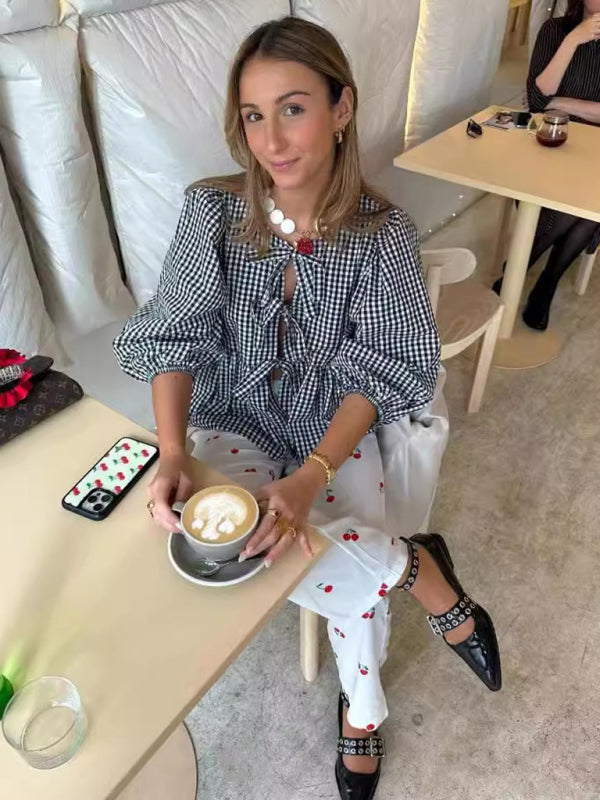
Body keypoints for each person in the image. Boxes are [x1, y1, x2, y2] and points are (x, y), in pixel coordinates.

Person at [114, 17, 501, 800]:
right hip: (238, 415)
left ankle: (361, 714)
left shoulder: (383, 234)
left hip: (335, 425)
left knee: (307, 533)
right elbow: (176, 333)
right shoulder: (210, 213)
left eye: (293, 108)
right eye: (254, 116)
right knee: (247, 544)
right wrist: (173, 452)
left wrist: (314, 472)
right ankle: (418, 570)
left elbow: (382, 365)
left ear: (343, 107)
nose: (270, 140)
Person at [494, 0, 600, 330]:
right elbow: (539, 100)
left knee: (589, 202)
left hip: (593, 151)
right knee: (577, 201)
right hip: (549, 139)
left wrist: (561, 103)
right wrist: (574, 40)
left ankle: (541, 280)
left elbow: (548, 100)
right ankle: (528, 274)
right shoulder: (555, 31)